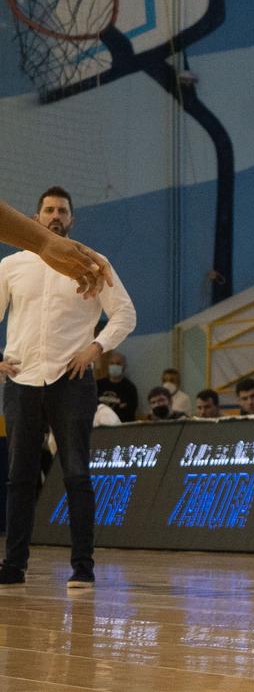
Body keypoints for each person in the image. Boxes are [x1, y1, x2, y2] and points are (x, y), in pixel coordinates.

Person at [0, 188, 137, 590]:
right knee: (19, 476)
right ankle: (14, 565)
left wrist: (96, 348)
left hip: (71, 380)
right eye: (48, 210)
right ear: (35, 217)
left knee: (76, 473)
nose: (55, 216)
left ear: (72, 220)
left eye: (62, 211)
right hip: (22, 379)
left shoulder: (91, 261)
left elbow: (125, 313)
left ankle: (82, 566)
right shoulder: (11, 265)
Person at [96, 347, 138, 423]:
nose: (114, 366)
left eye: (118, 363)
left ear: (124, 366)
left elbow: (129, 411)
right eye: (112, 363)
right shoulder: (98, 384)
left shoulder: (130, 388)